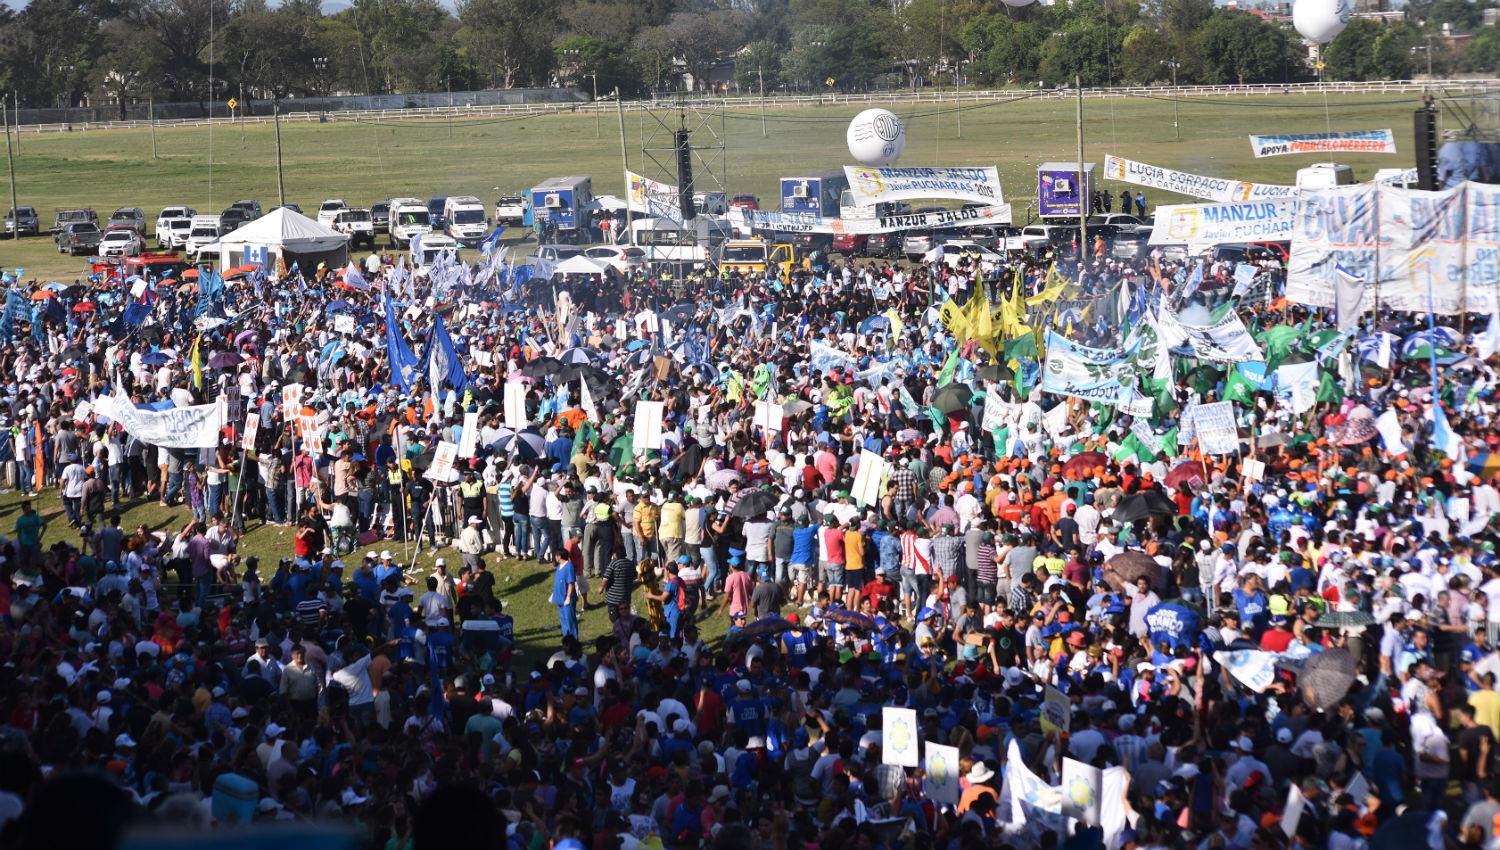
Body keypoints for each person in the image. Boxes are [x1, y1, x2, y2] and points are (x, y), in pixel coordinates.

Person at [550, 548, 579, 640]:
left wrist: (568, 597)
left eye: (556, 555)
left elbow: (571, 583)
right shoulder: (559, 567)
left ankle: (574, 641)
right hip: (559, 599)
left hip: (567, 600)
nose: (555, 557)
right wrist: (553, 594)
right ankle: (566, 641)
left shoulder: (569, 567)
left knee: (570, 621)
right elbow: (558, 582)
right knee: (563, 621)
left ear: (559, 557)